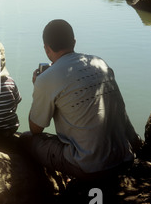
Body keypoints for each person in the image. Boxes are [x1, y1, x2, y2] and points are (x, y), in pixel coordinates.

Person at [21, 19, 142, 181]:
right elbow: (122, 113)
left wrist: (38, 86)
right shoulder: (100, 63)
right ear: (74, 42)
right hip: (123, 158)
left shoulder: (47, 79)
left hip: (89, 167)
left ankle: (46, 186)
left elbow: (36, 129)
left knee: (27, 139)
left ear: (46, 49)